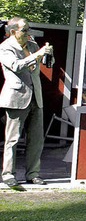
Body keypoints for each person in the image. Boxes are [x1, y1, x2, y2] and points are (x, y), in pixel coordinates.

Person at [0, 17, 53, 187]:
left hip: (36, 99)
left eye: (29, 29)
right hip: (16, 98)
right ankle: (8, 174)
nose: (28, 32)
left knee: (36, 140)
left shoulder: (33, 46)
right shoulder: (5, 47)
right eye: (25, 30)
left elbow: (45, 66)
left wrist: (48, 55)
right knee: (13, 139)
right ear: (13, 31)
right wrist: (38, 54)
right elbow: (16, 66)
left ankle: (33, 174)